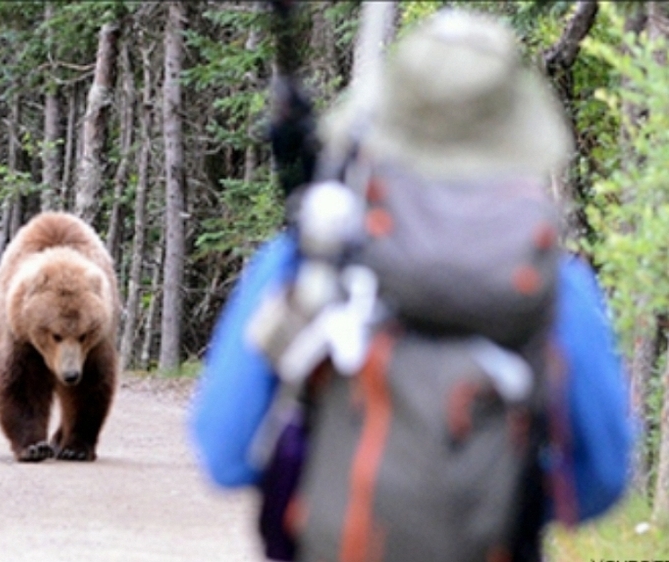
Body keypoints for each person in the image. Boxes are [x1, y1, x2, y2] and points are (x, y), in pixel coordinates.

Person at [190, 9, 631, 562]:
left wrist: (326, 477)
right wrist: (492, 501)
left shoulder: (313, 258)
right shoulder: (556, 288)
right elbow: (601, 482)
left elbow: (224, 452)